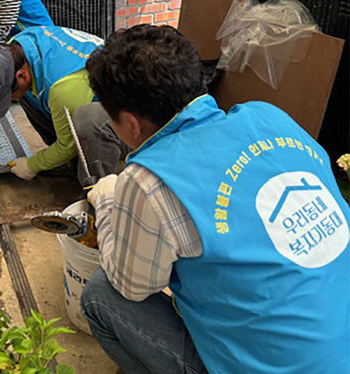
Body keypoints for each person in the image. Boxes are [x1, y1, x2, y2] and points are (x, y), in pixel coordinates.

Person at [80, 24, 350, 374]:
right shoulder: (270, 117)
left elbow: (130, 285)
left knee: (101, 295)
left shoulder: (149, 180)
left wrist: (107, 201)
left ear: (132, 124)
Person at [0, 25, 128, 185]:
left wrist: (32, 165)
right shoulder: (18, 48)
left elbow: (67, 145)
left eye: (7, 97)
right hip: (70, 95)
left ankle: (95, 188)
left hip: (127, 126)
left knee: (87, 123)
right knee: (25, 93)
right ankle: (66, 162)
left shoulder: (63, 87)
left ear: (22, 75)